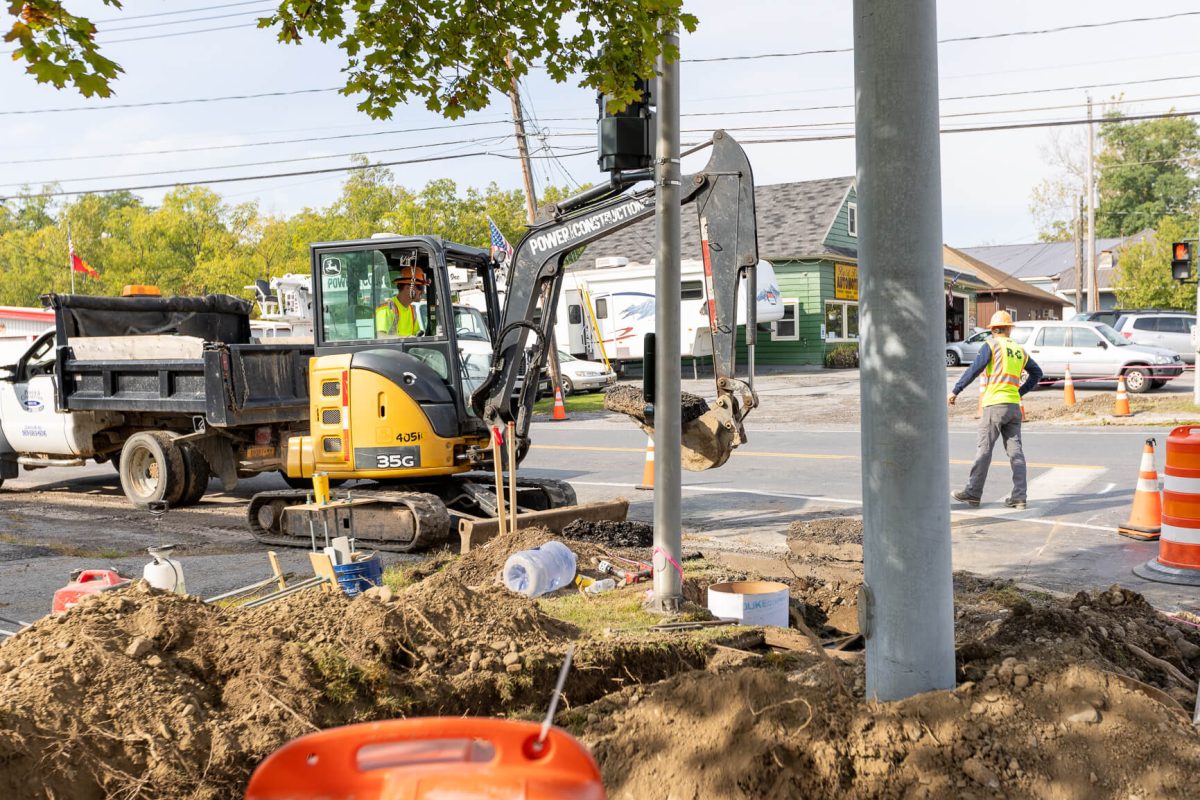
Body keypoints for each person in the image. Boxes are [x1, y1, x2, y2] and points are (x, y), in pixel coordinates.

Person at [947, 310, 1043, 509]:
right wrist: (1019, 392)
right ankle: (1019, 496)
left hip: (994, 406)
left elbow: (974, 369)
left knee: (984, 450)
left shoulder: (991, 345)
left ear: (993, 330)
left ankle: (973, 493)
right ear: (1009, 329)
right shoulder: (1018, 350)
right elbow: (1037, 373)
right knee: (1016, 452)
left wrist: (956, 390)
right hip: (1013, 407)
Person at [375, 265, 429, 337]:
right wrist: (406, 339)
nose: (423, 292)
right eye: (420, 287)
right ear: (407, 288)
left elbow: (416, 334)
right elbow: (379, 336)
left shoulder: (412, 310)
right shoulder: (387, 308)